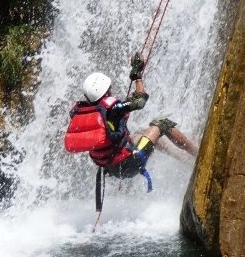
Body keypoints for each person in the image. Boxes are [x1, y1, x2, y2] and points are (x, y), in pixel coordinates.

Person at [64, 53, 198, 191]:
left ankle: (182, 157)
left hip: (112, 168)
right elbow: (140, 101)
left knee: (142, 133)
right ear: (106, 91)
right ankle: (197, 154)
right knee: (162, 123)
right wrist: (137, 74)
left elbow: (111, 125)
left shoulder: (82, 112)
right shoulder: (113, 109)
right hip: (131, 162)